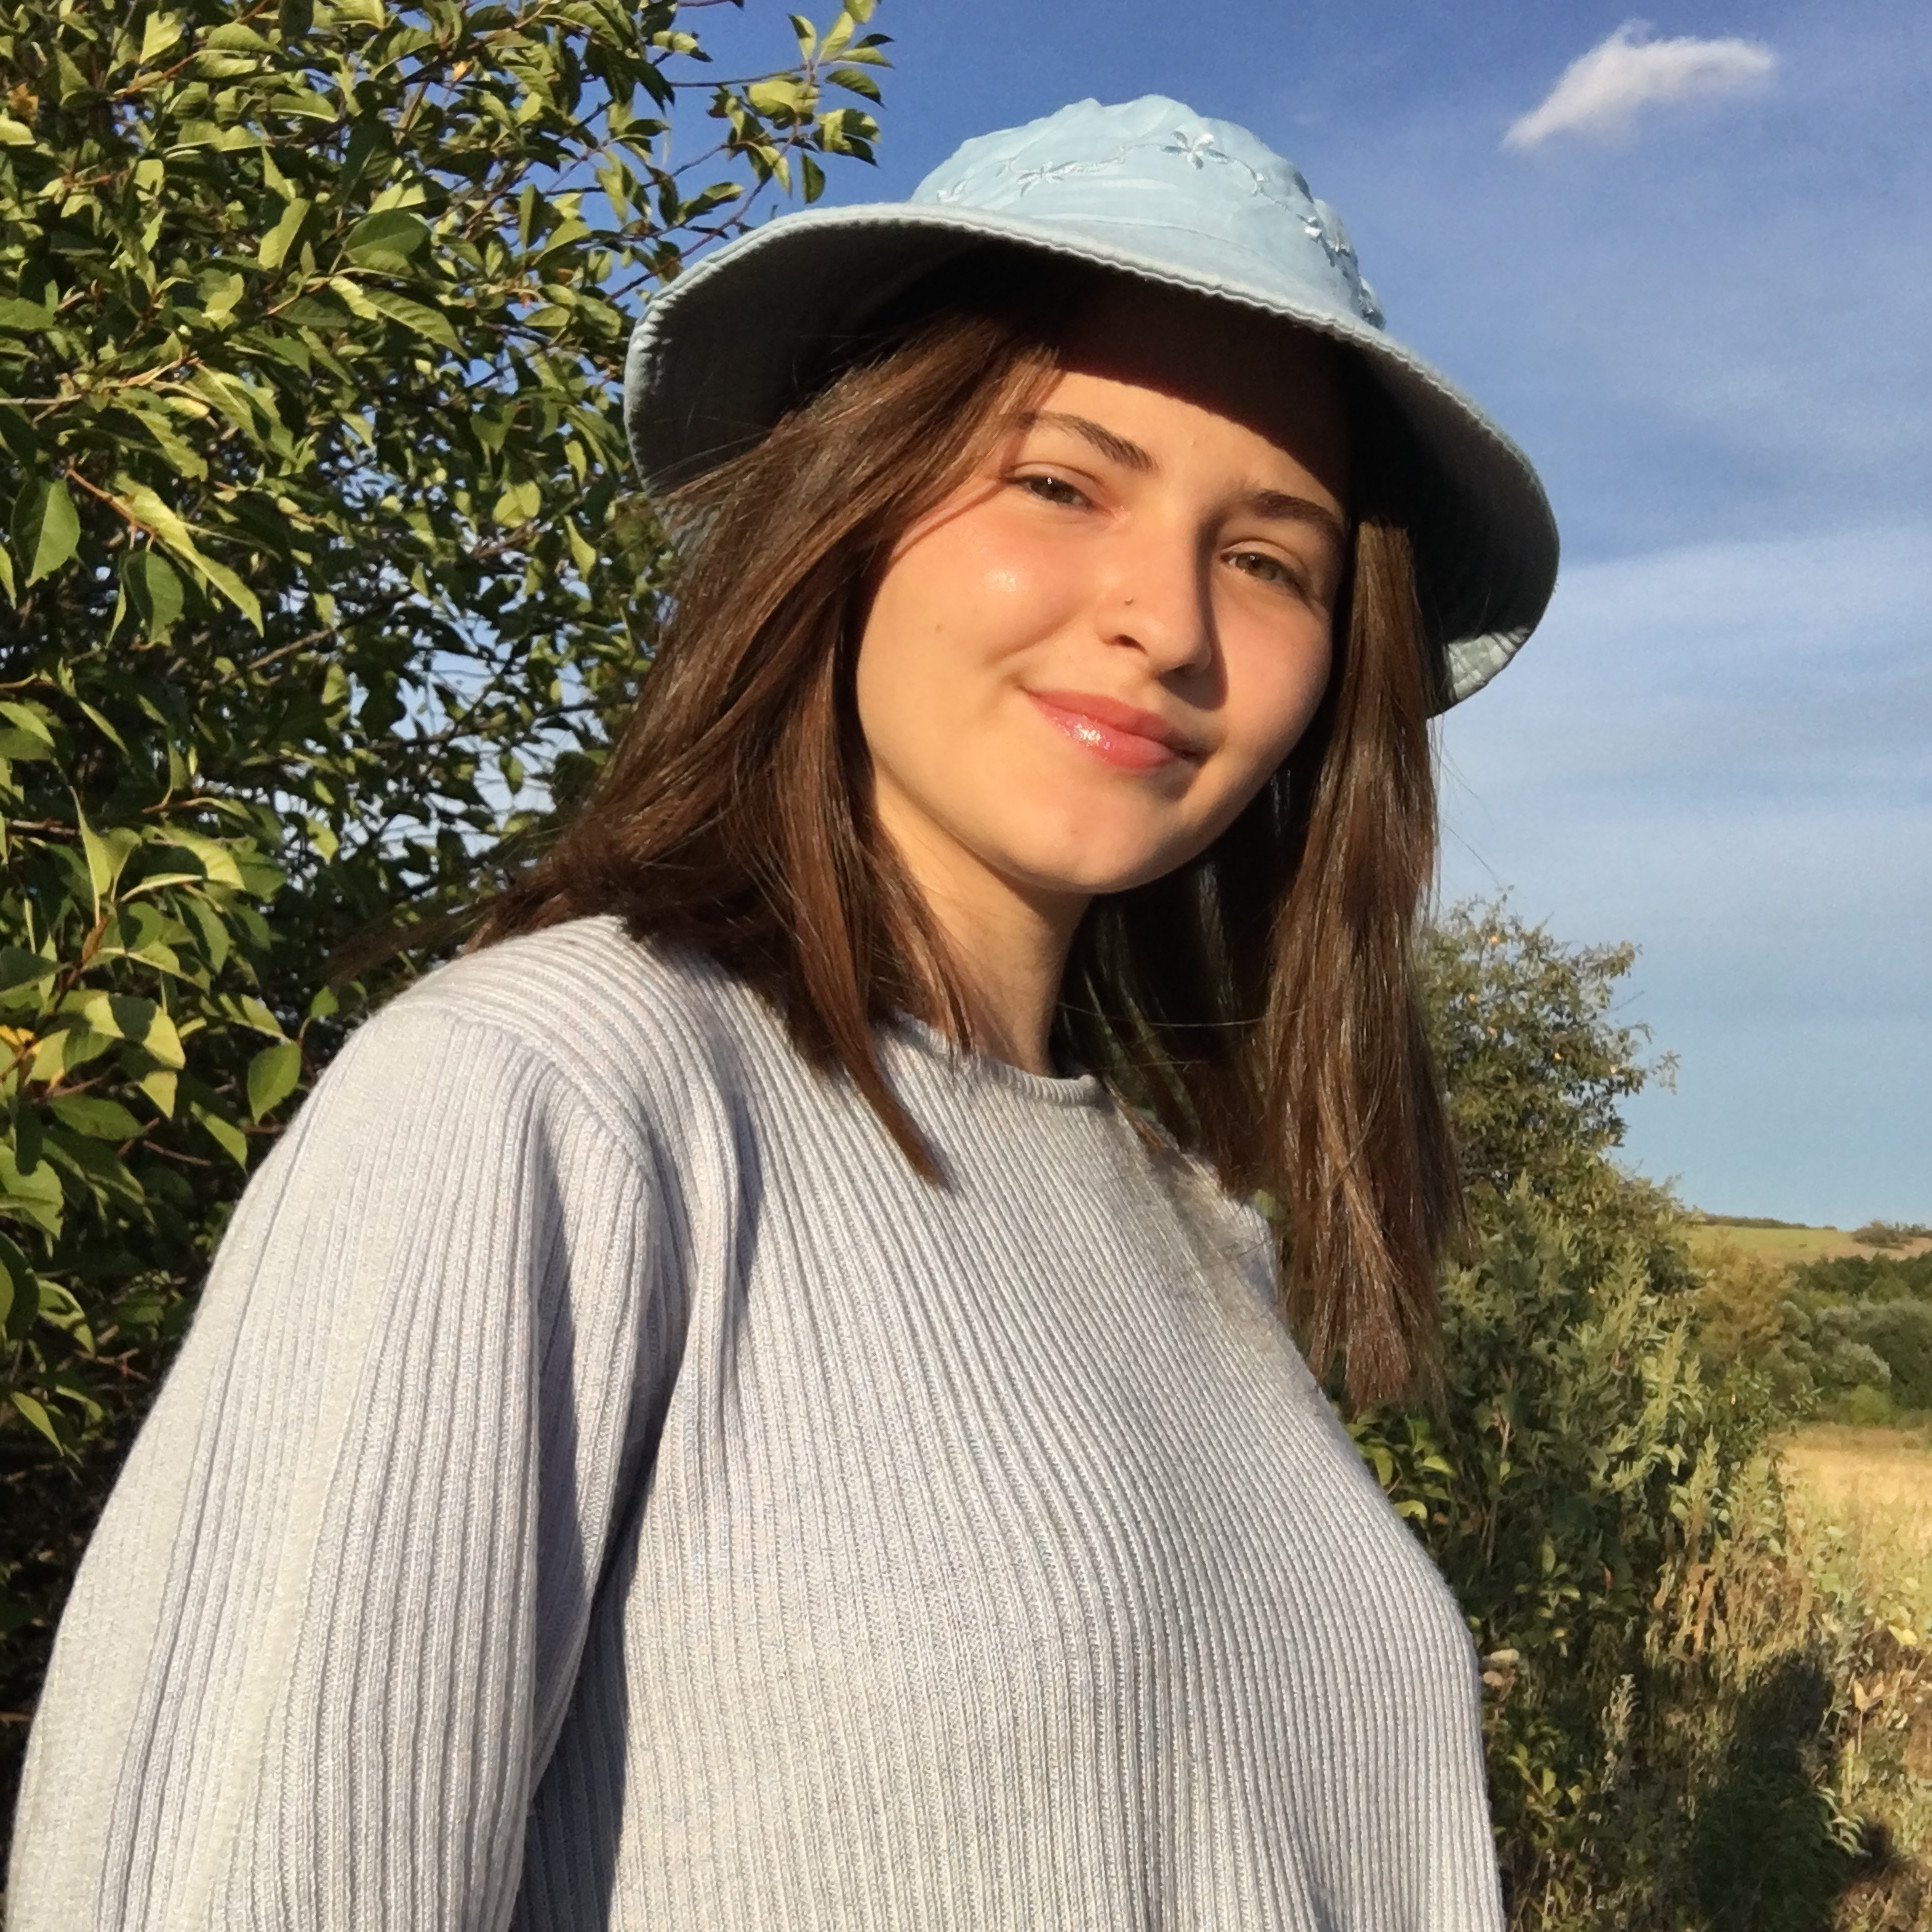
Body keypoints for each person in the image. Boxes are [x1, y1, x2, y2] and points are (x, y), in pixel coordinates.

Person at [8, 94, 1557, 1929]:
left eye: (1270, 559)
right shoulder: (546, 1099)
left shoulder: (1194, 1226)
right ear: (851, 502)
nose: (1168, 620)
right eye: (1060, 483)